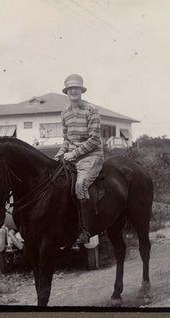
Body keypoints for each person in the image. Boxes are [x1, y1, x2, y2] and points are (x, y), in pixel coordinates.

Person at [54, 74, 104, 244]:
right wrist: (60, 153)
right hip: (72, 157)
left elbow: (95, 139)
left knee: (80, 185)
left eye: (76, 88)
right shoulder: (64, 113)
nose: (73, 91)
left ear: (81, 90)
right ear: (66, 92)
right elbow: (67, 140)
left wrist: (73, 154)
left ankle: (85, 231)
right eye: (70, 89)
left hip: (91, 157)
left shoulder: (91, 110)